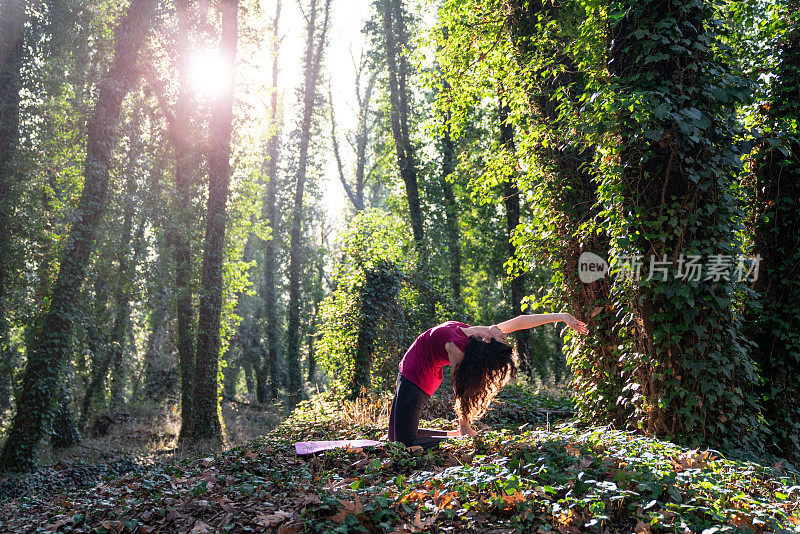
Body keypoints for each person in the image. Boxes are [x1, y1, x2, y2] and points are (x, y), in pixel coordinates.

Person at [387, 313, 589, 448]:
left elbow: (461, 389)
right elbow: (520, 321)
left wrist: (464, 423)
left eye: (502, 339)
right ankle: (456, 436)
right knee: (393, 439)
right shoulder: (479, 333)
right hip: (408, 369)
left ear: (488, 341)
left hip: (417, 378)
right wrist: (561, 317)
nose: (504, 335)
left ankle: (463, 438)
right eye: (504, 338)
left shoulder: (457, 346)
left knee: (403, 444)